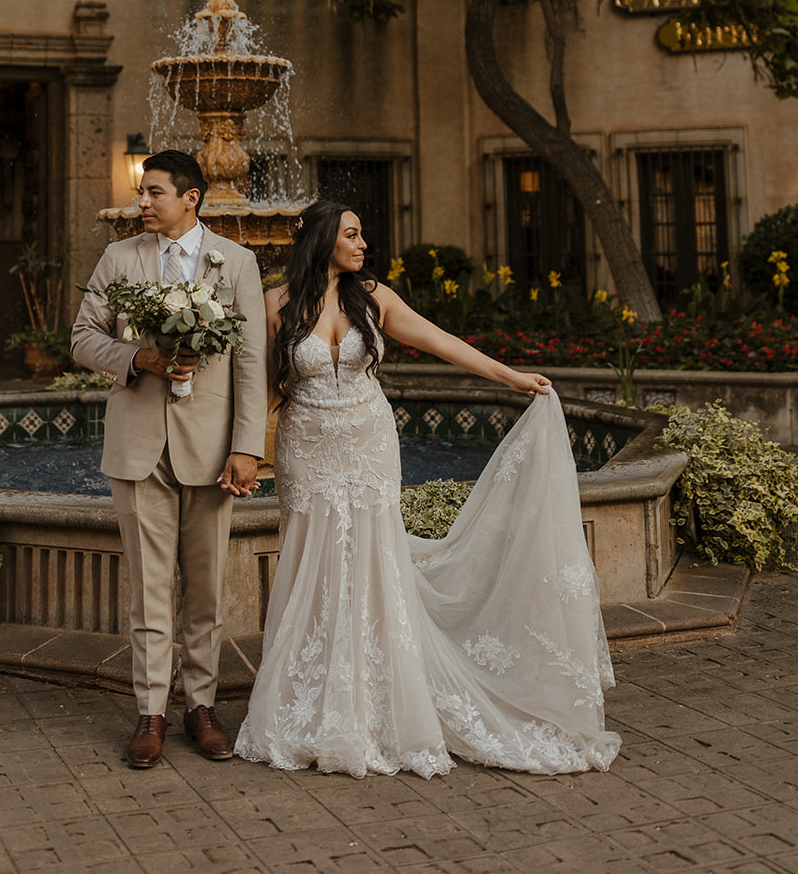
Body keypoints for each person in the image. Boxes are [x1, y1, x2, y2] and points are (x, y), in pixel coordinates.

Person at [234, 200, 622, 778]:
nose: (364, 244)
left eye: (363, 234)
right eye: (352, 234)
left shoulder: (375, 298)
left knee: (371, 558)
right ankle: (312, 702)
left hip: (368, 446)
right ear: (321, 241)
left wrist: (512, 377)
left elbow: (443, 342)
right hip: (308, 451)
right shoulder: (275, 306)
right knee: (312, 558)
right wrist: (238, 452)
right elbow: (263, 391)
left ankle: (384, 702)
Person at [71, 149, 268, 769]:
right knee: (149, 589)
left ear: (192, 198)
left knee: (205, 588)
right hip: (136, 446)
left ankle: (202, 707)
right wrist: (140, 360)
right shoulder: (119, 257)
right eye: (141, 192)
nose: (143, 203)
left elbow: (253, 363)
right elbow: (82, 339)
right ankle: (150, 712)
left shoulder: (236, 262)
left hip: (211, 451)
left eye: (155, 192)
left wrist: (247, 448)